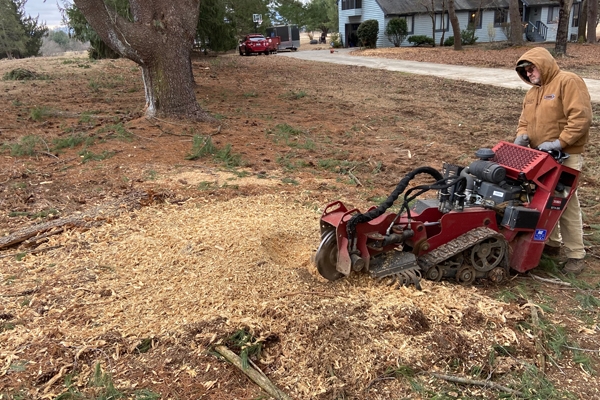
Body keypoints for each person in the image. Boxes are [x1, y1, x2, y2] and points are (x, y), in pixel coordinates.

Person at [513, 47, 593, 275]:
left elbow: (581, 117)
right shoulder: (532, 93)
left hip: (564, 156)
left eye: (532, 68)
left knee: (565, 202)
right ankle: (553, 242)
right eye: (526, 71)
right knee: (541, 199)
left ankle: (576, 255)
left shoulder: (567, 82)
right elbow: (524, 121)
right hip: (540, 156)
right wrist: (521, 135)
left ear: (544, 64)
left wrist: (560, 142)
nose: (529, 74)